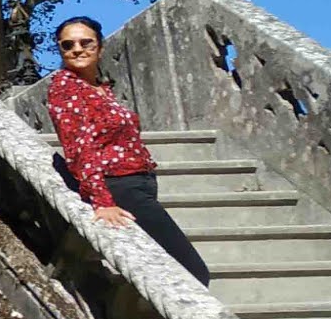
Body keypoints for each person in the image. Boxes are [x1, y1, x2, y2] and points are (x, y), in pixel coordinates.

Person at [46, 16, 210, 286]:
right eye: (67, 45)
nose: (77, 49)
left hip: (140, 182)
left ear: (100, 46)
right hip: (119, 187)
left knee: (163, 273)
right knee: (192, 272)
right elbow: (78, 146)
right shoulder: (66, 88)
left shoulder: (100, 89)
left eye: (85, 42)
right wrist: (102, 201)